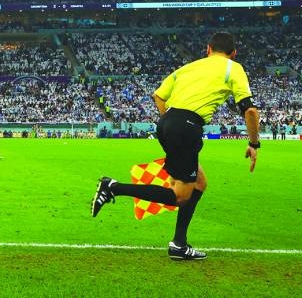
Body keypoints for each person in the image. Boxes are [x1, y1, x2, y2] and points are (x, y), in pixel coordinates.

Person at [90, 32, 260, 261]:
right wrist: (253, 143)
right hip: (187, 125)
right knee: (180, 196)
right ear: (233, 53)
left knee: (199, 182)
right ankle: (113, 187)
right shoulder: (233, 68)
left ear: (207, 49)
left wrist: (170, 123)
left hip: (168, 122)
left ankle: (179, 244)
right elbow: (249, 110)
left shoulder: (188, 68)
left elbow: (158, 96)